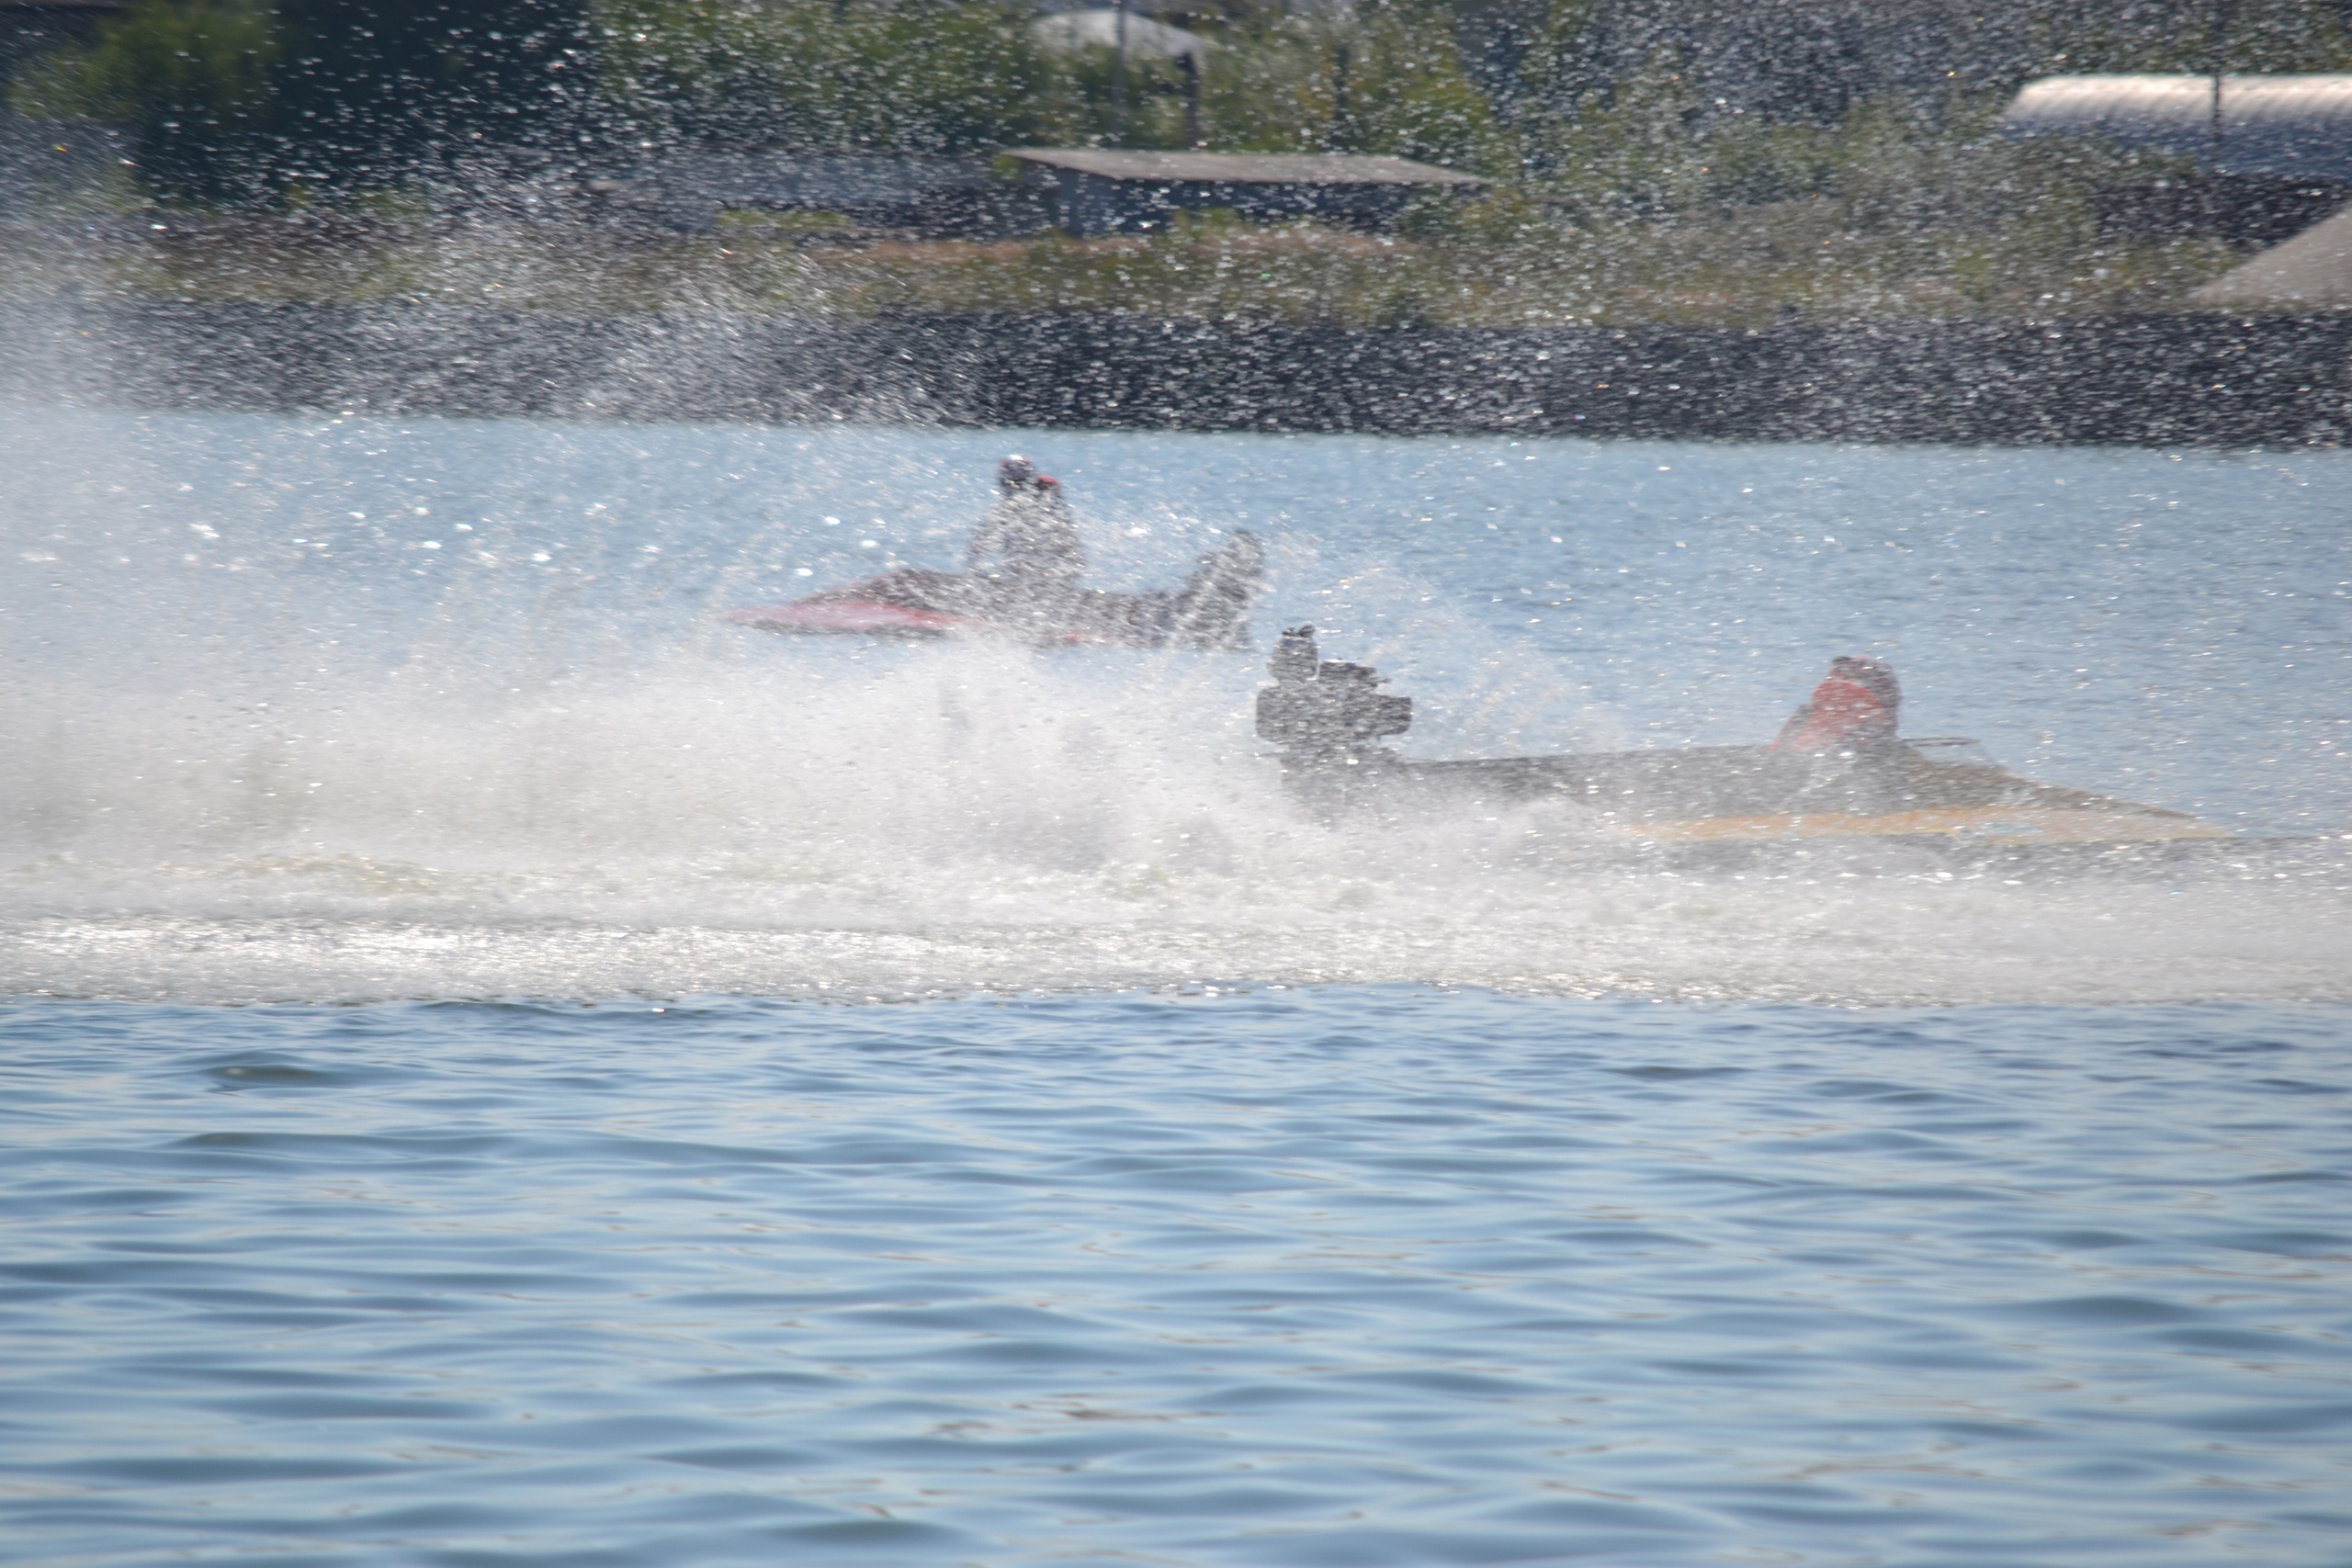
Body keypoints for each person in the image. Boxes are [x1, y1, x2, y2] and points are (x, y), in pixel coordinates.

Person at [1771, 655, 1906, 813]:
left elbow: (1773, 764)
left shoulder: (1805, 718)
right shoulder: (1883, 737)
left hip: (1789, 782)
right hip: (1841, 794)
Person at [966, 456, 1087, 592]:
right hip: (1041, 538)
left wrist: (975, 559)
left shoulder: (1043, 489)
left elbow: (1064, 526)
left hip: (1045, 537)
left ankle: (1050, 583)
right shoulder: (1029, 497)